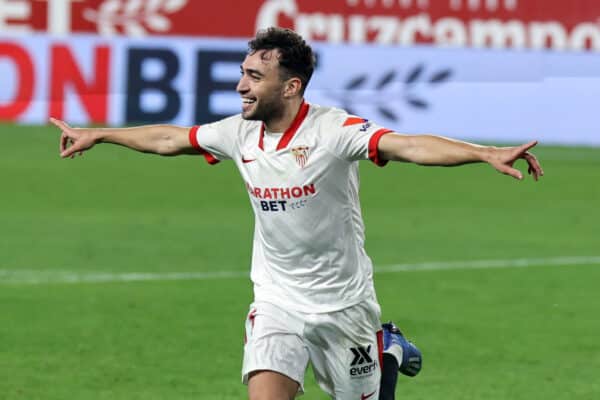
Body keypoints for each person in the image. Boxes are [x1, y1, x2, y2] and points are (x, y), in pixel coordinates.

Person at [51, 27, 543, 400]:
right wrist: (101, 134)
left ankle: (387, 349)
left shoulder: (334, 131)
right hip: (277, 301)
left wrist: (483, 153)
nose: (241, 86)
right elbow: (169, 138)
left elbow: (410, 146)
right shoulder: (238, 133)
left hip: (344, 304)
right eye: (243, 73)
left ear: (290, 87)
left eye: (254, 77)